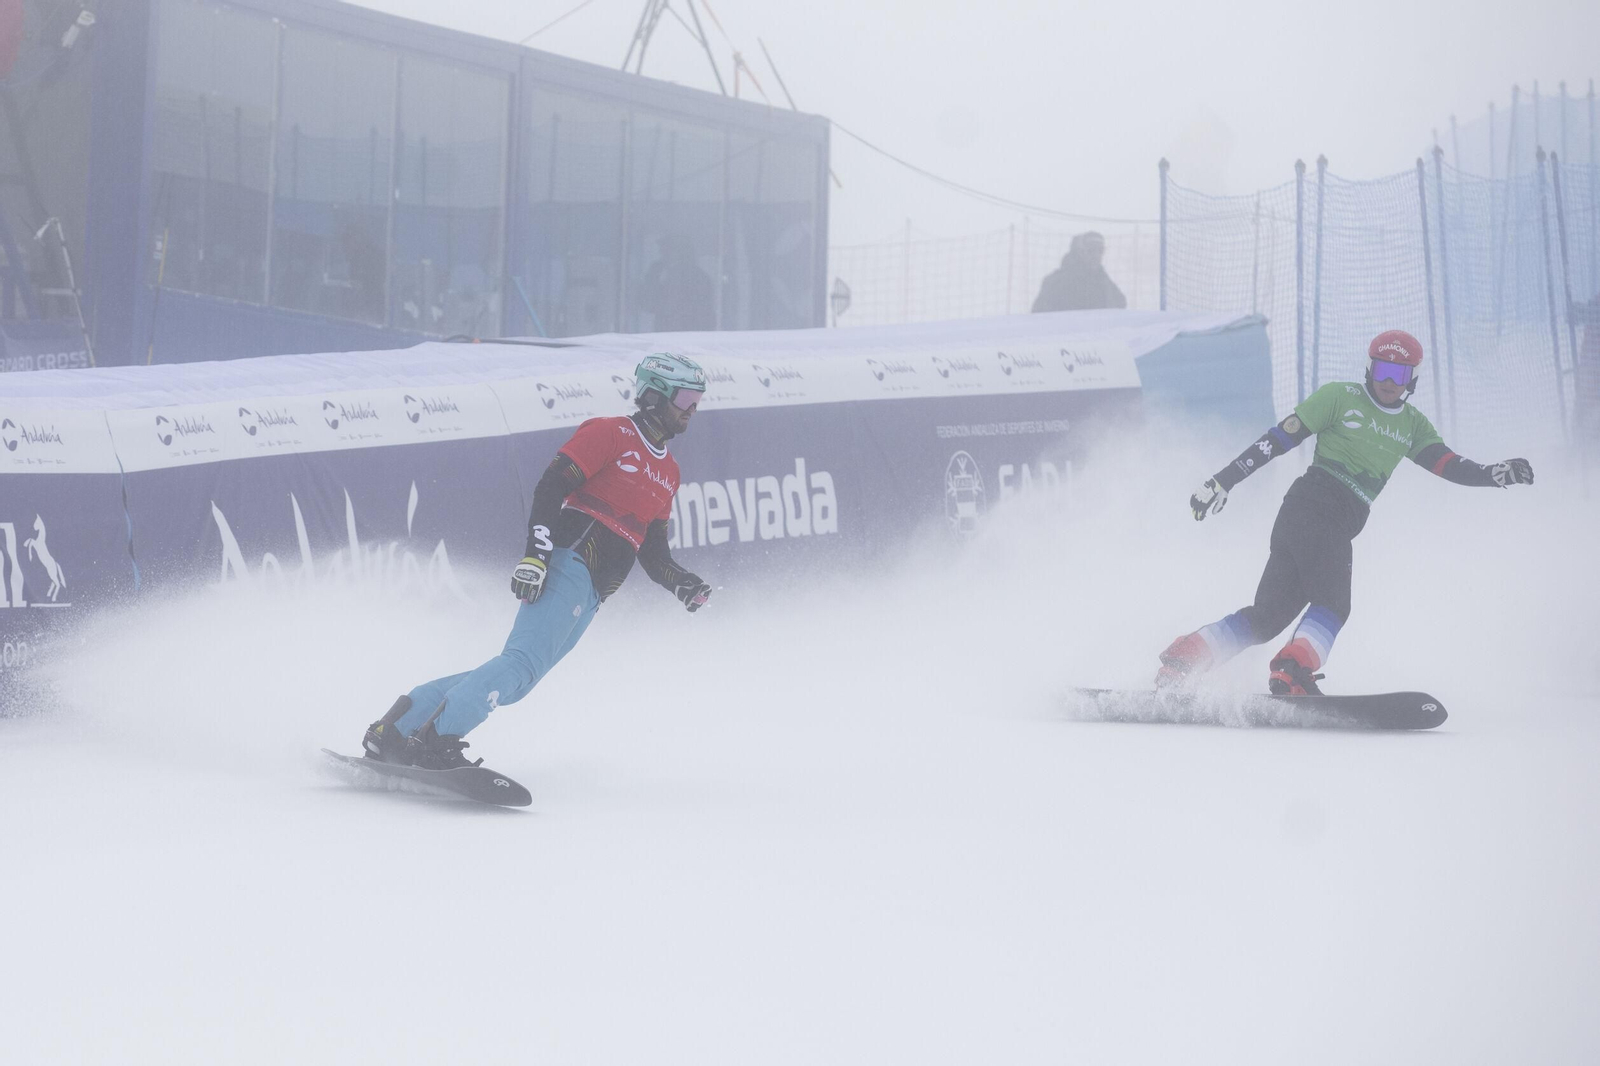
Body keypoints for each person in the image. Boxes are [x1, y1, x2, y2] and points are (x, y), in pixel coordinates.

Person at [360, 352, 715, 769]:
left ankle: (398, 730)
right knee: (520, 666)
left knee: (518, 675)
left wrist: (682, 582)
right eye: (686, 398)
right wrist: (536, 556)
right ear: (655, 395)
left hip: (596, 591)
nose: (693, 410)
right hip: (571, 562)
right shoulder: (611, 432)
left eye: (699, 400)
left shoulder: (669, 471)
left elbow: (653, 551)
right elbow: (552, 487)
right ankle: (436, 739)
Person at [1157, 329, 1534, 696]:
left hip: (1303, 517)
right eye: (1381, 369)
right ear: (1368, 368)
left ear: (1412, 379)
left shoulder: (1413, 425)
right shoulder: (1340, 396)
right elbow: (1278, 439)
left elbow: (1448, 465)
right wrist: (1224, 480)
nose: (1388, 381)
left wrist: (1493, 475)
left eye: (1398, 374)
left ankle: (1183, 661)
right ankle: (1292, 672)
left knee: (1266, 618)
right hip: (1320, 508)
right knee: (1334, 604)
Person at [1031, 231, 1127, 313]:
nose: (1096, 255)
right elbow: (1039, 318)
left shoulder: (1104, 282)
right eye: (1091, 250)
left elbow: (1121, 305)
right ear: (1079, 252)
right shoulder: (1055, 282)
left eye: (1100, 250)